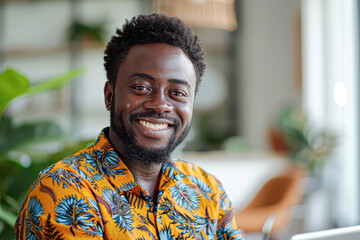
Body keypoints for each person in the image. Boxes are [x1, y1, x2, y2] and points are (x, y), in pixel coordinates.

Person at [15, 13, 245, 240]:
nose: (160, 105)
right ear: (109, 95)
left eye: (177, 93)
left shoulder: (208, 191)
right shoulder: (64, 191)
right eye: (141, 87)